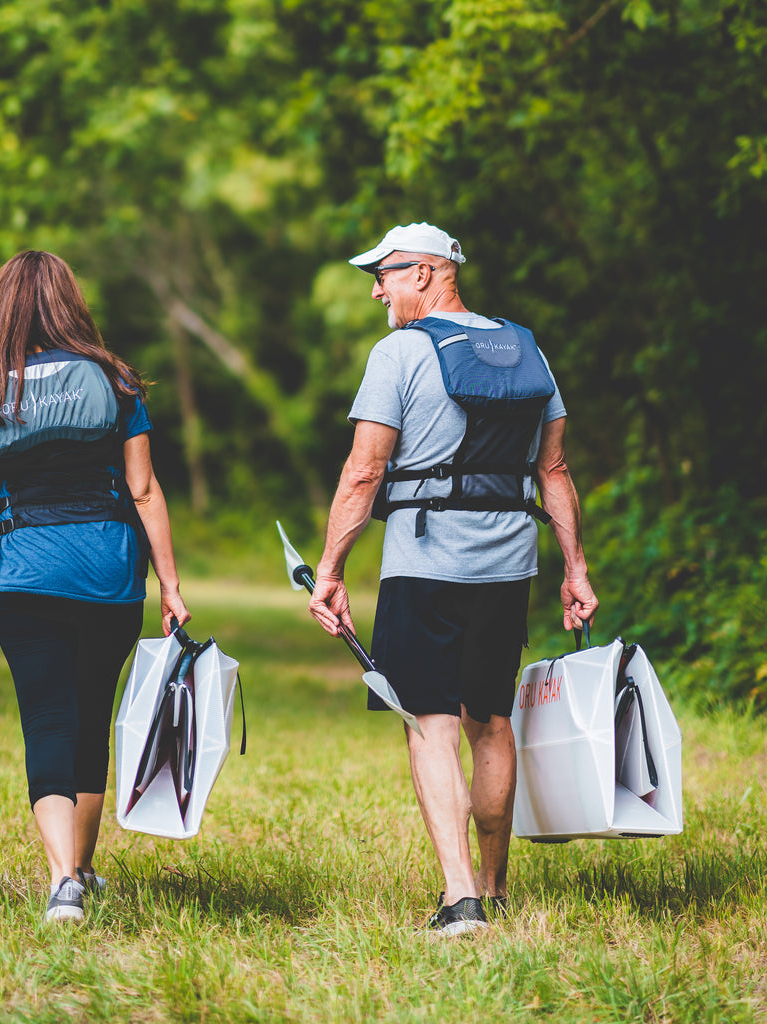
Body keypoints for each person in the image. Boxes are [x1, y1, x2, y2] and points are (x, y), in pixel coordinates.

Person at [308, 222, 598, 937]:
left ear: (431, 272)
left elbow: (364, 470)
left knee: (431, 724)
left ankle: (460, 897)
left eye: (386, 273)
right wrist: (575, 568)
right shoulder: (526, 349)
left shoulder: (399, 353)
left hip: (425, 565)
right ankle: (496, 890)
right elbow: (553, 471)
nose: (377, 288)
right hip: (508, 565)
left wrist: (330, 570)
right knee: (491, 721)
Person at [0, 250, 190, 923]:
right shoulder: (115, 380)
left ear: (2, 308)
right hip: (110, 575)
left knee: (46, 718)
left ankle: (63, 880)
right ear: (70, 304)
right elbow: (145, 489)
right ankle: (83, 870)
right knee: (91, 719)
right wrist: (171, 586)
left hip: (27, 575)